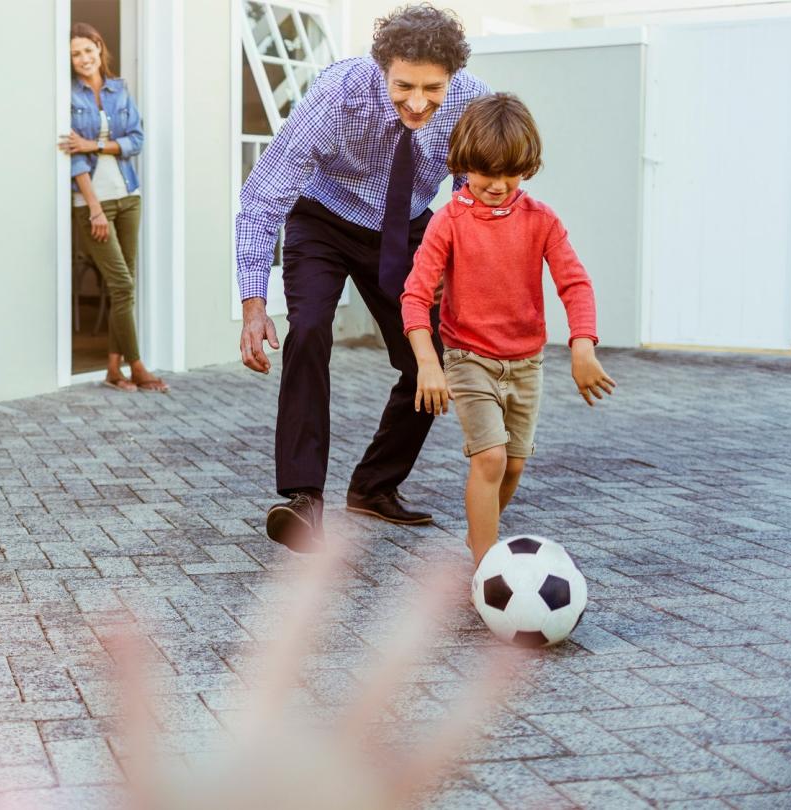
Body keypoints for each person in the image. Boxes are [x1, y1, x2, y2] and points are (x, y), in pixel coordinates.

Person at [236, 4, 490, 551]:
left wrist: (455, 262)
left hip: (405, 226)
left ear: (452, 77)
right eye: (404, 86)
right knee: (308, 331)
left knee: (433, 357)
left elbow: (472, 187)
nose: (418, 102)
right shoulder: (338, 94)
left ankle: (374, 486)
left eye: (432, 88)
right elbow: (264, 195)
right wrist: (253, 302)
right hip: (323, 219)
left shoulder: (472, 98)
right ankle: (304, 500)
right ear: (383, 67)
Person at [400, 93, 616, 566]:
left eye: (509, 174)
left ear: (528, 168)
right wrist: (427, 363)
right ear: (465, 165)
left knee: (514, 465)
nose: (497, 186)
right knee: (491, 459)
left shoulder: (542, 221)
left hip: (526, 363)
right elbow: (415, 296)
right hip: (468, 358)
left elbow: (575, 283)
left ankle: (481, 533)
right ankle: (486, 566)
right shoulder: (448, 222)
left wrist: (583, 346)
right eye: (485, 173)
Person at [58, 23, 167, 393]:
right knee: (122, 284)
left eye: (88, 50)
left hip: (128, 195)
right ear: (70, 60)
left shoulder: (119, 89)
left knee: (126, 284)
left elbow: (136, 139)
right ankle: (136, 366)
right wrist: (94, 209)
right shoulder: (68, 96)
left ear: (99, 48)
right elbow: (73, 161)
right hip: (93, 203)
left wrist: (94, 146)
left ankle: (112, 369)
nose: (84, 59)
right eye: (75, 54)